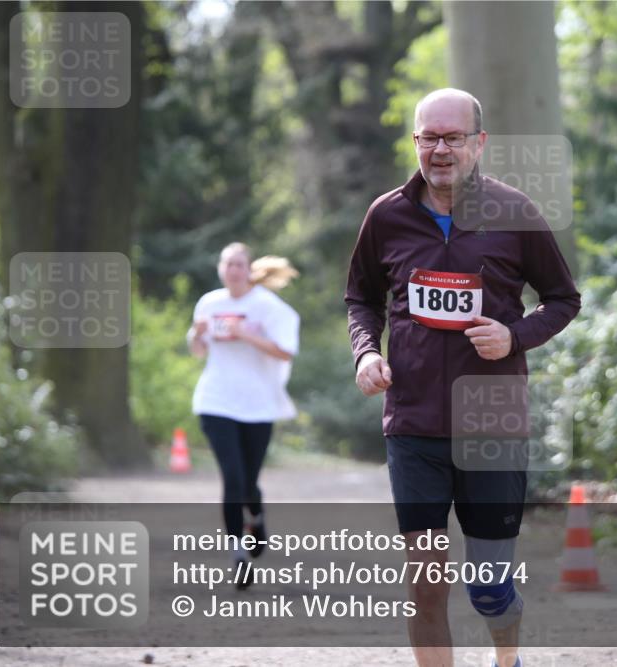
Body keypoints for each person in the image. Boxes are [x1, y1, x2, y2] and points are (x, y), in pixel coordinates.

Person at [345, 88, 580, 667]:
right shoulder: (387, 216)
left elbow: (562, 298)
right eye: (429, 137)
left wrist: (514, 336)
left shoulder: (515, 212)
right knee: (426, 582)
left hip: (491, 424)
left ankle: (508, 660)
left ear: (479, 143)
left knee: (489, 589)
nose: (441, 149)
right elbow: (361, 298)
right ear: (415, 142)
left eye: (453, 137)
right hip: (414, 424)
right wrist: (366, 353)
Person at [188, 242, 300, 589]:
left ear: (249, 270)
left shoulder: (267, 306)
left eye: (239, 264)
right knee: (233, 478)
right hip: (215, 402)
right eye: (228, 264)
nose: (234, 270)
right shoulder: (209, 302)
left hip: (257, 405)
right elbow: (197, 351)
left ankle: (257, 514)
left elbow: (285, 352)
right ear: (220, 269)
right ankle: (238, 554)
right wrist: (197, 335)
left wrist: (245, 335)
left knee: (249, 481)